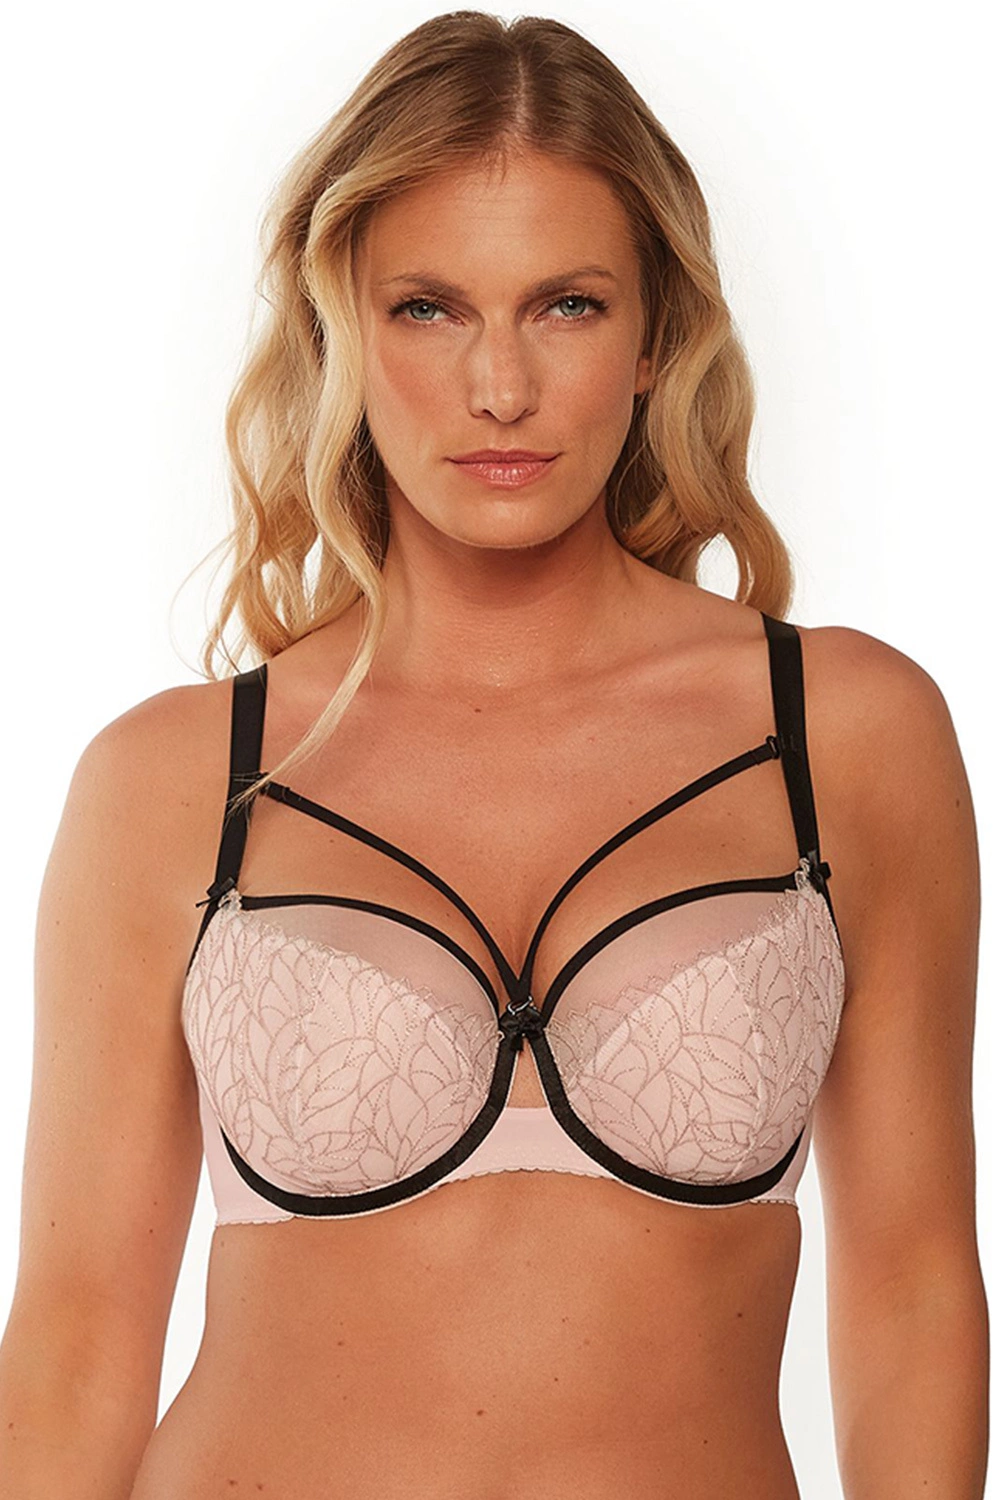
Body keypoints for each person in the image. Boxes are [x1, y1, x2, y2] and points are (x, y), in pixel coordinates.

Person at [0, 11, 988, 1499]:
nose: (502, 388)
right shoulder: (175, 780)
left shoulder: (841, 731)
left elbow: (913, 1289)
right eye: (428, 308)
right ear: (341, 333)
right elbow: (76, 1342)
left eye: (568, 305)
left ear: (654, 339)